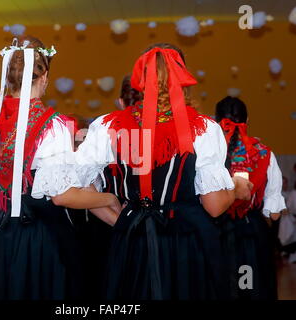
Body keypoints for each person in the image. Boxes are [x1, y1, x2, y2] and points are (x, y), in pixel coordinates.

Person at [74, 43, 252, 299]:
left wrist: (120, 219)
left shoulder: (108, 125)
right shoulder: (203, 128)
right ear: (182, 77)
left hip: (131, 242)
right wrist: (235, 187)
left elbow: (76, 187)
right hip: (184, 244)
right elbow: (213, 205)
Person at [0, 36, 120, 300]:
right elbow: (62, 196)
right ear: (43, 77)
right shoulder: (52, 125)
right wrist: (110, 197)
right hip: (42, 242)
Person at [215, 96, 286, 299]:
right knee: (250, 287)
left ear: (217, 122)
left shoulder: (210, 157)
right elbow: (273, 214)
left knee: (223, 288)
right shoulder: (264, 154)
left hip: (217, 231)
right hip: (251, 233)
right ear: (247, 121)